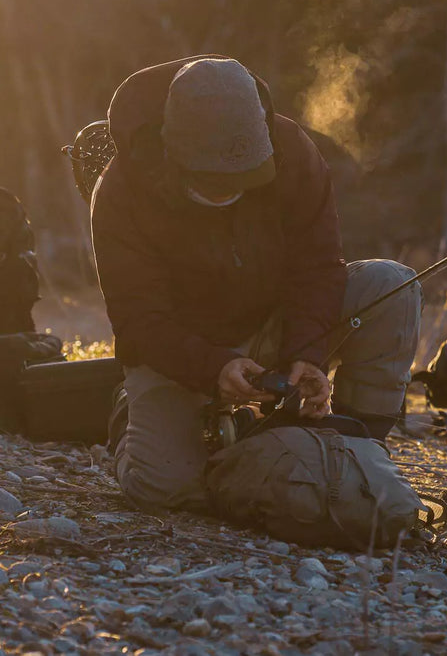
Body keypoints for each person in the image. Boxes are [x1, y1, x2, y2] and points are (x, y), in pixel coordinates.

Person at [90, 55, 421, 511]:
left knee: (392, 283)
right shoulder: (119, 193)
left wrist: (308, 354)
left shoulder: (291, 150)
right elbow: (138, 320)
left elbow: (319, 266)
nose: (230, 192)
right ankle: (131, 412)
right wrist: (213, 367)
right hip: (177, 350)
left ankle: (354, 447)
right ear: (173, 151)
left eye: (245, 180)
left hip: (273, 321)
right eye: (214, 181)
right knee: (166, 490)